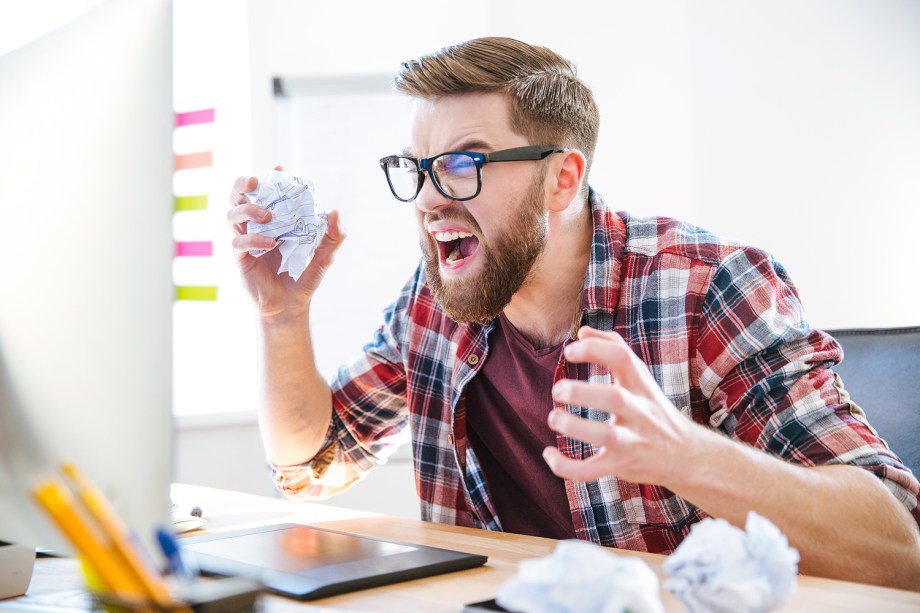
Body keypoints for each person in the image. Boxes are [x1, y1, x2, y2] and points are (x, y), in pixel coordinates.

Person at [227, 37, 920, 590]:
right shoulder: (434, 302)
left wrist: (689, 455)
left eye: (465, 163)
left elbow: (899, 549)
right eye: (417, 168)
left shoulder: (709, 288)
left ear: (562, 179)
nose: (429, 199)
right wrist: (281, 317)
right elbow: (315, 459)